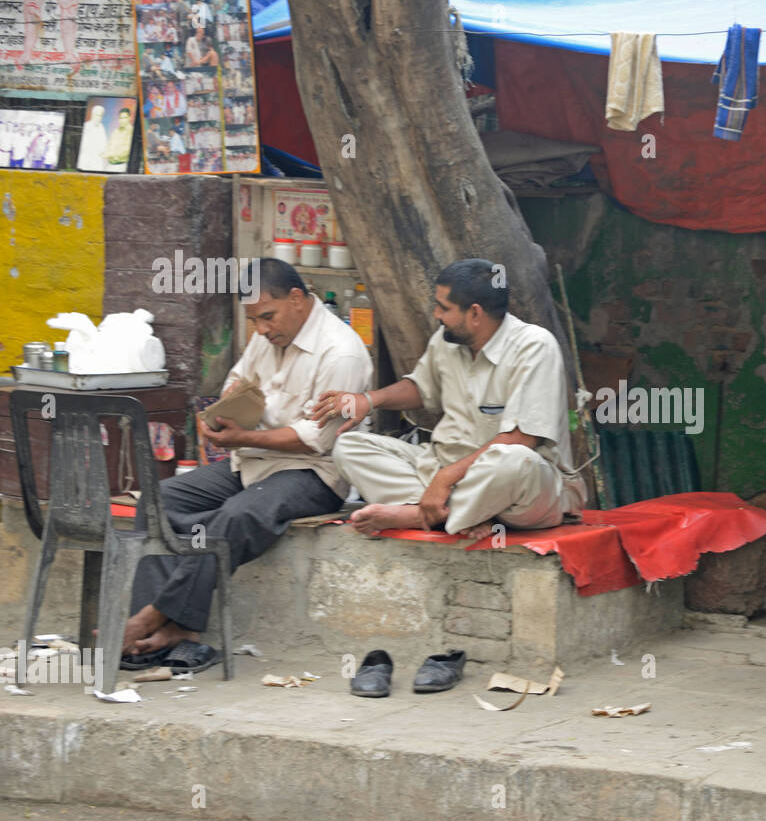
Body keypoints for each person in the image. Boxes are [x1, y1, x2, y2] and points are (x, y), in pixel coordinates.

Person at [120, 260, 372, 671]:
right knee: (158, 499)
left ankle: (155, 619)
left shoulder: (340, 352)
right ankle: (161, 631)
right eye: (253, 320)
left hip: (314, 474)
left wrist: (241, 438)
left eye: (266, 317)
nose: (261, 329)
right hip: (251, 463)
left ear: (296, 299)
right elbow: (237, 380)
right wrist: (222, 414)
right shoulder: (267, 336)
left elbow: (315, 441)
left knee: (237, 515)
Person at [316, 258, 587, 539]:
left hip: (520, 490)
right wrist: (368, 400)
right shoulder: (447, 340)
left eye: (444, 307)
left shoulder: (534, 346)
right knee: (349, 446)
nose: (436, 314)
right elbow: (421, 388)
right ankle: (453, 513)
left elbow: (522, 440)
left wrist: (447, 478)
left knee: (515, 460)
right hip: (442, 469)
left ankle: (418, 514)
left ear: (475, 314)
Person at [103, 107, 134, 172]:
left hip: (122, 166)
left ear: (129, 118)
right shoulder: (115, 131)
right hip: (110, 165)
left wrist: (111, 155)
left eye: (124, 118)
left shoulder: (132, 131)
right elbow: (109, 146)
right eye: (120, 118)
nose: (122, 120)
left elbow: (126, 151)